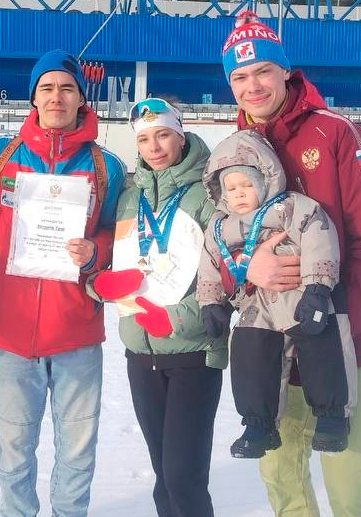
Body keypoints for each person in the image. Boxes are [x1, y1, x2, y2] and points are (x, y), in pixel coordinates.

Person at [220, 12, 361, 517]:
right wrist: (243, 270)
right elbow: (219, 240)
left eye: (262, 71)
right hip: (271, 349)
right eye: (238, 76)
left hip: (344, 341)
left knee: (348, 488)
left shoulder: (340, 136)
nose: (252, 85)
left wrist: (332, 330)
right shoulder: (235, 153)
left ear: (285, 72)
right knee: (284, 483)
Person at [0, 49, 125, 517]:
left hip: (76, 329)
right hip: (12, 330)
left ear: (81, 98)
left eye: (66, 88)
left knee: (77, 449)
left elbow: (120, 235)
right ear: (33, 98)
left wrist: (96, 250)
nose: (56, 96)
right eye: (47, 88)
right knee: (14, 449)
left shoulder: (106, 166)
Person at [88, 97, 227, 517]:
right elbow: (116, 261)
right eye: (145, 138)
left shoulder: (208, 194)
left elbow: (227, 276)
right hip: (141, 352)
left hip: (193, 353)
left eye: (163, 134)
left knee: (184, 477)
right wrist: (101, 284)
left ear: (181, 135)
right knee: (163, 478)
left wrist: (176, 318)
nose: (154, 146)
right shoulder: (129, 198)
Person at [197, 129, 356, 460]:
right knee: (249, 353)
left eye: (246, 185)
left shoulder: (291, 207)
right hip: (257, 302)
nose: (239, 194)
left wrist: (317, 285)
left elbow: (318, 236)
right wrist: (211, 302)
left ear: (264, 179)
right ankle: (258, 423)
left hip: (299, 291)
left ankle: (331, 417)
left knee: (321, 345)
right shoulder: (219, 225)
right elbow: (210, 262)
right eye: (231, 188)